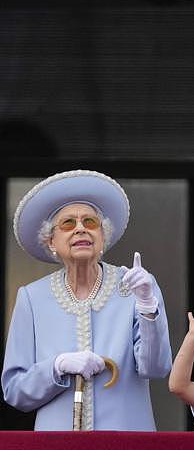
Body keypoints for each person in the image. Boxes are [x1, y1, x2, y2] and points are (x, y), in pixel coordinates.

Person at [1, 170, 172, 430]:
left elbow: (156, 368)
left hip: (125, 442)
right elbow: (15, 391)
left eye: (90, 222)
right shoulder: (32, 298)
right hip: (58, 449)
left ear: (103, 237)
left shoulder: (135, 285)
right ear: (51, 242)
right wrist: (56, 367)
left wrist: (148, 307)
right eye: (68, 223)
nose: (80, 228)